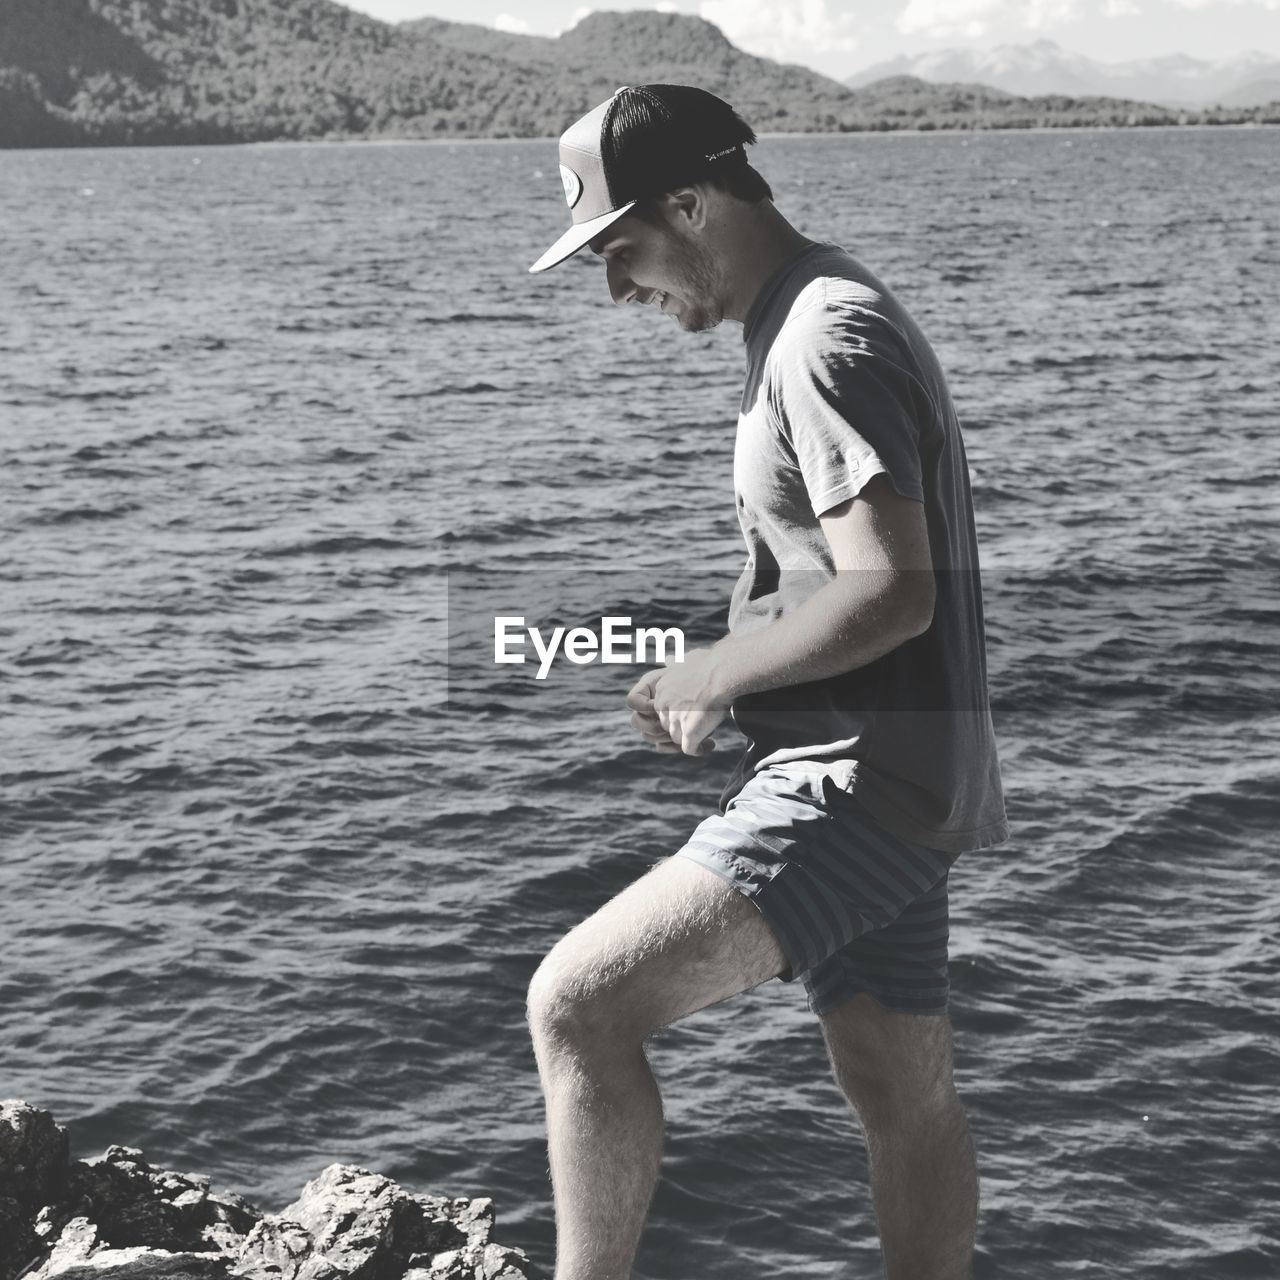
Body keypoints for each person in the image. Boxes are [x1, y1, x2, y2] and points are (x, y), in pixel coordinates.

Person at [525, 84, 1009, 1280]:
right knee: (900, 1089)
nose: (614, 286)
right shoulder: (803, 314)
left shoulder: (821, 337)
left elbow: (892, 589)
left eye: (619, 248)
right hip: (905, 773)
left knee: (577, 1007)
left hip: (852, 779)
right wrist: (727, 662)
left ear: (688, 202)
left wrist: (716, 668)